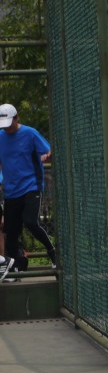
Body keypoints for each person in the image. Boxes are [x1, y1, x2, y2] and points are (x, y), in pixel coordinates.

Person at [0, 104, 57, 276]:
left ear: (17, 118)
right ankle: (17, 265)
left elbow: (48, 152)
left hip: (31, 186)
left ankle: (52, 252)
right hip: (11, 190)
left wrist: (47, 156)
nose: (7, 128)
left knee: (31, 222)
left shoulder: (30, 133)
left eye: (9, 124)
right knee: (10, 232)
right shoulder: (1, 137)